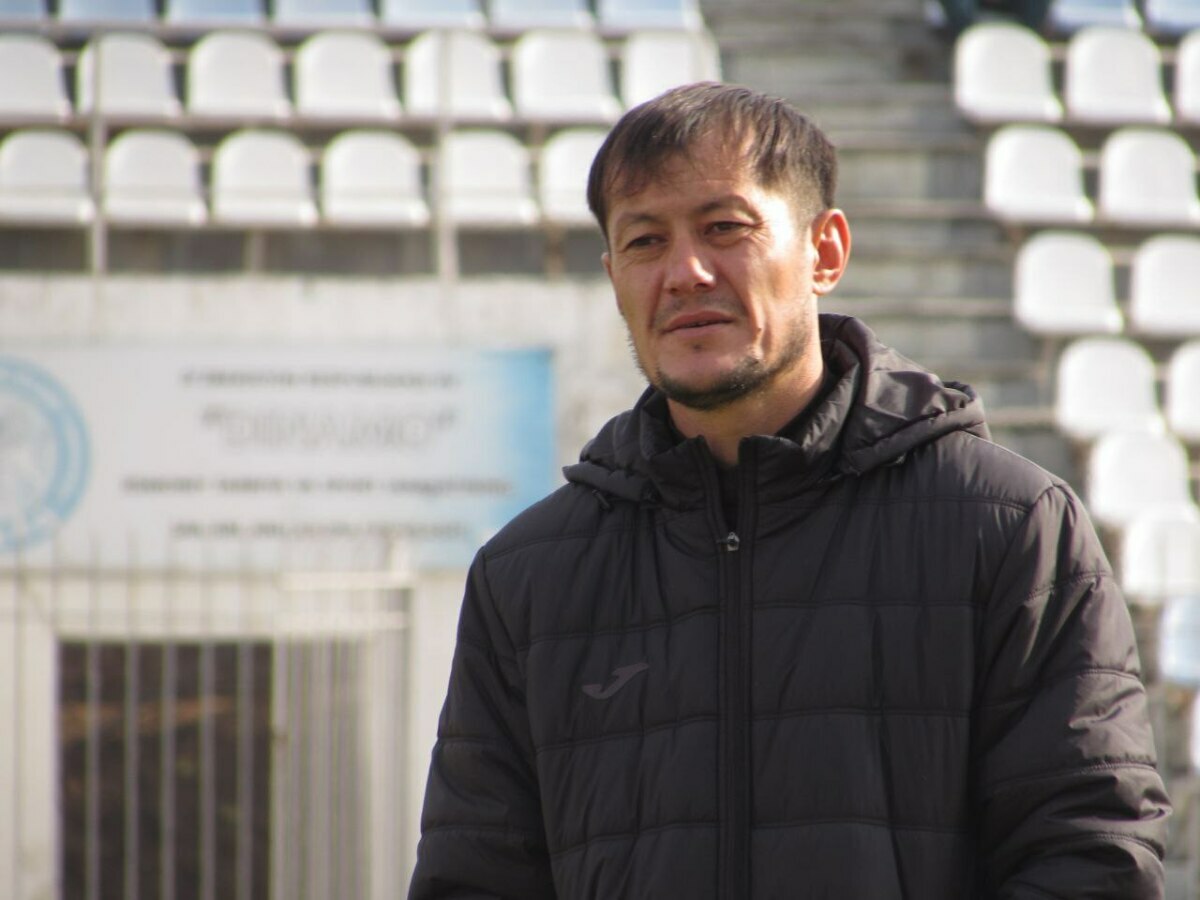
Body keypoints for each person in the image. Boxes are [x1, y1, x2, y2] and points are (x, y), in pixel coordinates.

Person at [408, 82, 1171, 898]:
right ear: (614, 276)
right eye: (645, 241)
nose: (684, 273)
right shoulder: (527, 577)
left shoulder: (1012, 530)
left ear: (825, 252)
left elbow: (1091, 860)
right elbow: (473, 881)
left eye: (725, 228)